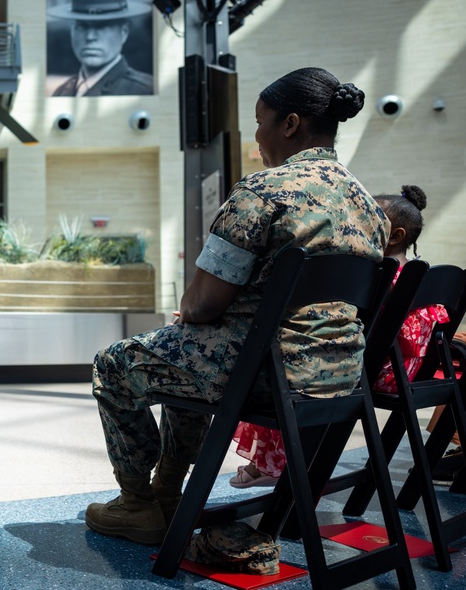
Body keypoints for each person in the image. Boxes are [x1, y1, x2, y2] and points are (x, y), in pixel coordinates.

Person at [86, 67, 388, 545]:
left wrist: (190, 312)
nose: (257, 133)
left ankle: (138, 502)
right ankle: (167, 491)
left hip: (266, 372)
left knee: (115, 363)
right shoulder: (369, 207)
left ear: (289, 124)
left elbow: (203, 304)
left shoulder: (264, 191)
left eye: (261, 120)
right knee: (181, 351)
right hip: (339, 377)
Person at [229, 184, 450, 488]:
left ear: (395, 236)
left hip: (371, 372)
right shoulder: (420, 276)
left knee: (286, 365)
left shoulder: (373, 276)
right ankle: (288, 463)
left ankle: (272, 464)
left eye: (367, 220)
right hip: (406, 373)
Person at [47, 0, 153, 96]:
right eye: (82, 25)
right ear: (71, 30)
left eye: (102, 26)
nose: (90, 36)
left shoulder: (144, 91)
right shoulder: (61, 92)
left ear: (124, 32)